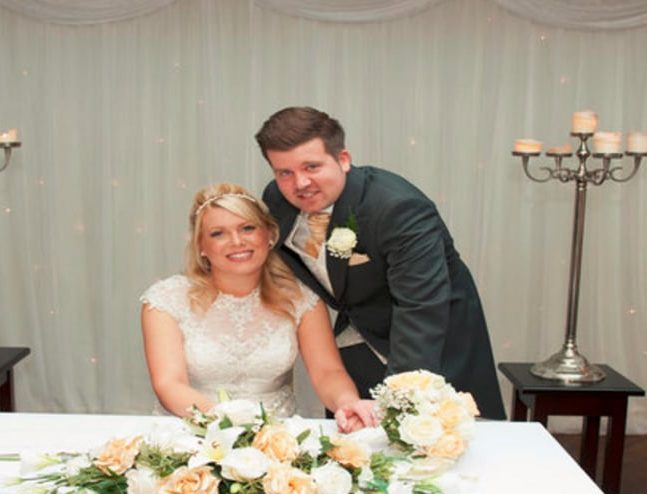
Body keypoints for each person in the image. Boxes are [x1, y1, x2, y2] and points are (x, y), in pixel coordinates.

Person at [255, 106, 506, 420]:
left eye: (312, 166)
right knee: (355, 430)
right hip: (357, 337)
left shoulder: (399, 208)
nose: (300, 183)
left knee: (438, 434)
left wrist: (399, 399)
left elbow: (420, 308)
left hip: (431, 339)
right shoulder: (277, 201)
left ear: (343, 159)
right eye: (284, 172)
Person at [140, 182, 376, 431]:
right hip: (191, 432)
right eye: (218, 233)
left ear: (269, 234)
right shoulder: (167, 299)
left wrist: (347, 403)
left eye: (248, 228)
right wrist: (233, 424)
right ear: (201, 246)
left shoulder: (302, 298)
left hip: (276, 437)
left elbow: (328, 372)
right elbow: (170, 384)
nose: (236, 241)